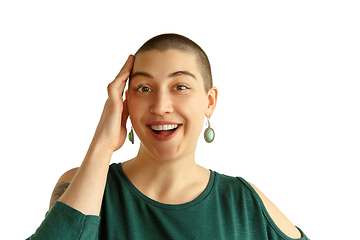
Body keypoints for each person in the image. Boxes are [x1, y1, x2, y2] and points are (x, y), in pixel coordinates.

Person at [28, 33, 309, 239]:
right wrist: (102, 145)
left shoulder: (242, 202)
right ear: (124, 101)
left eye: (181, 86)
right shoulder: (81, 184)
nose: (161, 106)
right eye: (144, 89)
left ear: (209, 101)